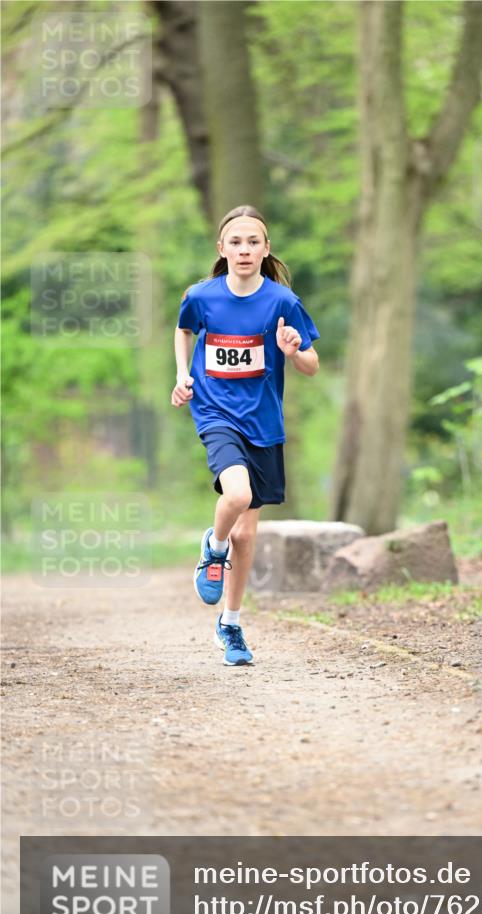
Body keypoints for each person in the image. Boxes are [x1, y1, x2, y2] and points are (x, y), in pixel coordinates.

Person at [171, 205, 320, 665]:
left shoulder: (282, 302)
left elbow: (312, 366)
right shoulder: (202, 296)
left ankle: (230, 625)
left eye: (253, 241)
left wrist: (293, 352)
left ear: (266, 248)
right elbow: (183, 329)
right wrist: (182, 374)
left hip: (264, 424)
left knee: (247, 537)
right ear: (222, 249)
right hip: (215, 413)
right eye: (235, 242)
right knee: (236, 494)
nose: (244, 249)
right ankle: (212, 549)